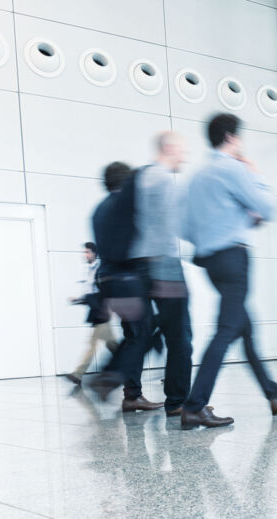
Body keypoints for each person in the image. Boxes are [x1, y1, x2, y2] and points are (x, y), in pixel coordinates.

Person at [181, 113, 277, 430]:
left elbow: (184, 228)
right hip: (234, 259)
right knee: (225, 331)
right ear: (232, 138)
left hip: (210, 261)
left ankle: (274, 394)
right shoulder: (233, 168)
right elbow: (268, 208)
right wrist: (256, 175)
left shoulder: (197, 177)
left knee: (244, 327)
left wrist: (218, 231)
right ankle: (194, 406)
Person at [89, 162, 163, 412]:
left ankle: (131, 394)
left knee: (135, 334)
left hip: (109, 280)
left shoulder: (99, 209)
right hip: (126, 279)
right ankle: (110, 379)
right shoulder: (123, 205)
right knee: (143, 333)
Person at [130, 131, 194, 417]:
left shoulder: (140, 178)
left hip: (138, 266)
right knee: (180, 337)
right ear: (168, 148)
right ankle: (178, 401)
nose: (185, 155)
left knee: (144, 331)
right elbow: (173, 226)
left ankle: (129, 387)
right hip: (165, 265)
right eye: (182, 150)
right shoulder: (164, 180)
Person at [65, 242, 118, 385]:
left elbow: (106, 291)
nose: (85, 255)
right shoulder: (88, 270)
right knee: (112, 345)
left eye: (87, 252)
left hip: (102, 312)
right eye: (85, 252)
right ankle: (126, 366)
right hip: (95, 311)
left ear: (94, 253)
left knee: (92, 344)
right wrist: (78, 299)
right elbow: (88, 290)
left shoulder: (101, 269)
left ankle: (78, 374)